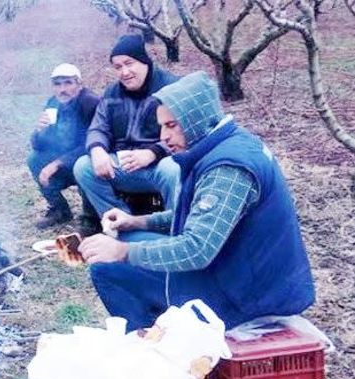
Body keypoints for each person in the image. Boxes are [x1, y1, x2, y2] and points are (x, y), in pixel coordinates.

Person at [79, 71, 315, 331]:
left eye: (171, 125)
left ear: (194, 119)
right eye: (162, 127)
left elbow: (197, 249)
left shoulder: (227, 168)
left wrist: (122, 253)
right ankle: (158, 331)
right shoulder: (228, 143)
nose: (164, 138)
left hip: (248, 296)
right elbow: (196, 216)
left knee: (108, 267)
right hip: (238, 270)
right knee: (128, 240)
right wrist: (136, 222)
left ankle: (151, 346)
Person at [73, 34, 180, 227]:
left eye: (129, 63)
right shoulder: (112, 92)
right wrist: (97, 149)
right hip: (123, 166)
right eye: (118, 67)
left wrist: (153, 152)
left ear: (144, 61)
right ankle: (120, 224)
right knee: (83, 166)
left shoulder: (172, 88)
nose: (124, 72)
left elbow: (187, 133)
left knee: (172, 169)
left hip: (160, 166)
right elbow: (99, 126)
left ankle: (175, 226)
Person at [28, 63, 100, 232]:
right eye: (57, 84)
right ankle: (59, 210)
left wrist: (56, 164)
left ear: (79, 84)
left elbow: (93, 143)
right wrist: (39, 131)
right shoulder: (53, 103)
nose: (62, 89)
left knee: (85, 163)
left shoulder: (90, 103)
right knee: (34, 159)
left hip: (89, 160)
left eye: (68, 83)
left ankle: (92, 217)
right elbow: (39, 145)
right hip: (65, 161)